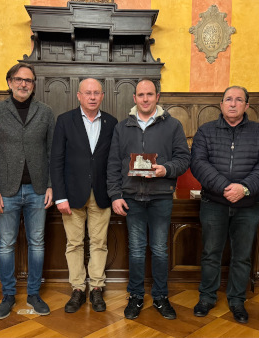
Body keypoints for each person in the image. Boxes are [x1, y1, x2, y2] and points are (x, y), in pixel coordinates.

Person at [107, 79, 190, 320]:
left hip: (160, 197)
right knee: (135, 250)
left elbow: (184, 159)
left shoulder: (173, 125)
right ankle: (135, 296)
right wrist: (115, 195)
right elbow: (113, 164)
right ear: (134, 98)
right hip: (132, 198)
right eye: (141, 95)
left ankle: (161, 296)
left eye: (149, 94)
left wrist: (167, 169)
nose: (145, 99)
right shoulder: (123, 127)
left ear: (157, 96)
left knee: (160, 250)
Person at [190, 86, 259, 323]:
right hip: (213, 202)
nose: (233, 104)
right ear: (221, 104)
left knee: (242, 256)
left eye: (239, 100)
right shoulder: (205, 131)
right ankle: (206, 297)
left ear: (247, 105)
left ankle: (237, 300)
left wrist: (244, 188)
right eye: (229, 99)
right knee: (210, 253)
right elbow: (198, 163)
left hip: (248, 204)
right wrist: (226, 187)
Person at [0, 62, 55, 319]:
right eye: (19, 79)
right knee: (5, 244)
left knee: (37, 243)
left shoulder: (45, 112)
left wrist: (50, 185)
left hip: (37, 189)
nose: (24, 84)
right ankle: (8, 295)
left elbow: (51, 153)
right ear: (10, 82)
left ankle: (34, 294)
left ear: (34, 85)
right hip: (6, 191)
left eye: (29, 80)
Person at [50, 78, 118, 313]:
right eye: (87, 93)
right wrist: (60, 196)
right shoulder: (64, 121)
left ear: (102, 96)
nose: (92, 97)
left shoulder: (112, 122)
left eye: (96, 93)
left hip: (101, 194)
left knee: (100, 243)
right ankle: (78, 288)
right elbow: (56, 161)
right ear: (78, 96)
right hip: (71, 195)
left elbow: (114, 161)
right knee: (74, 243)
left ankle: (97, 288)